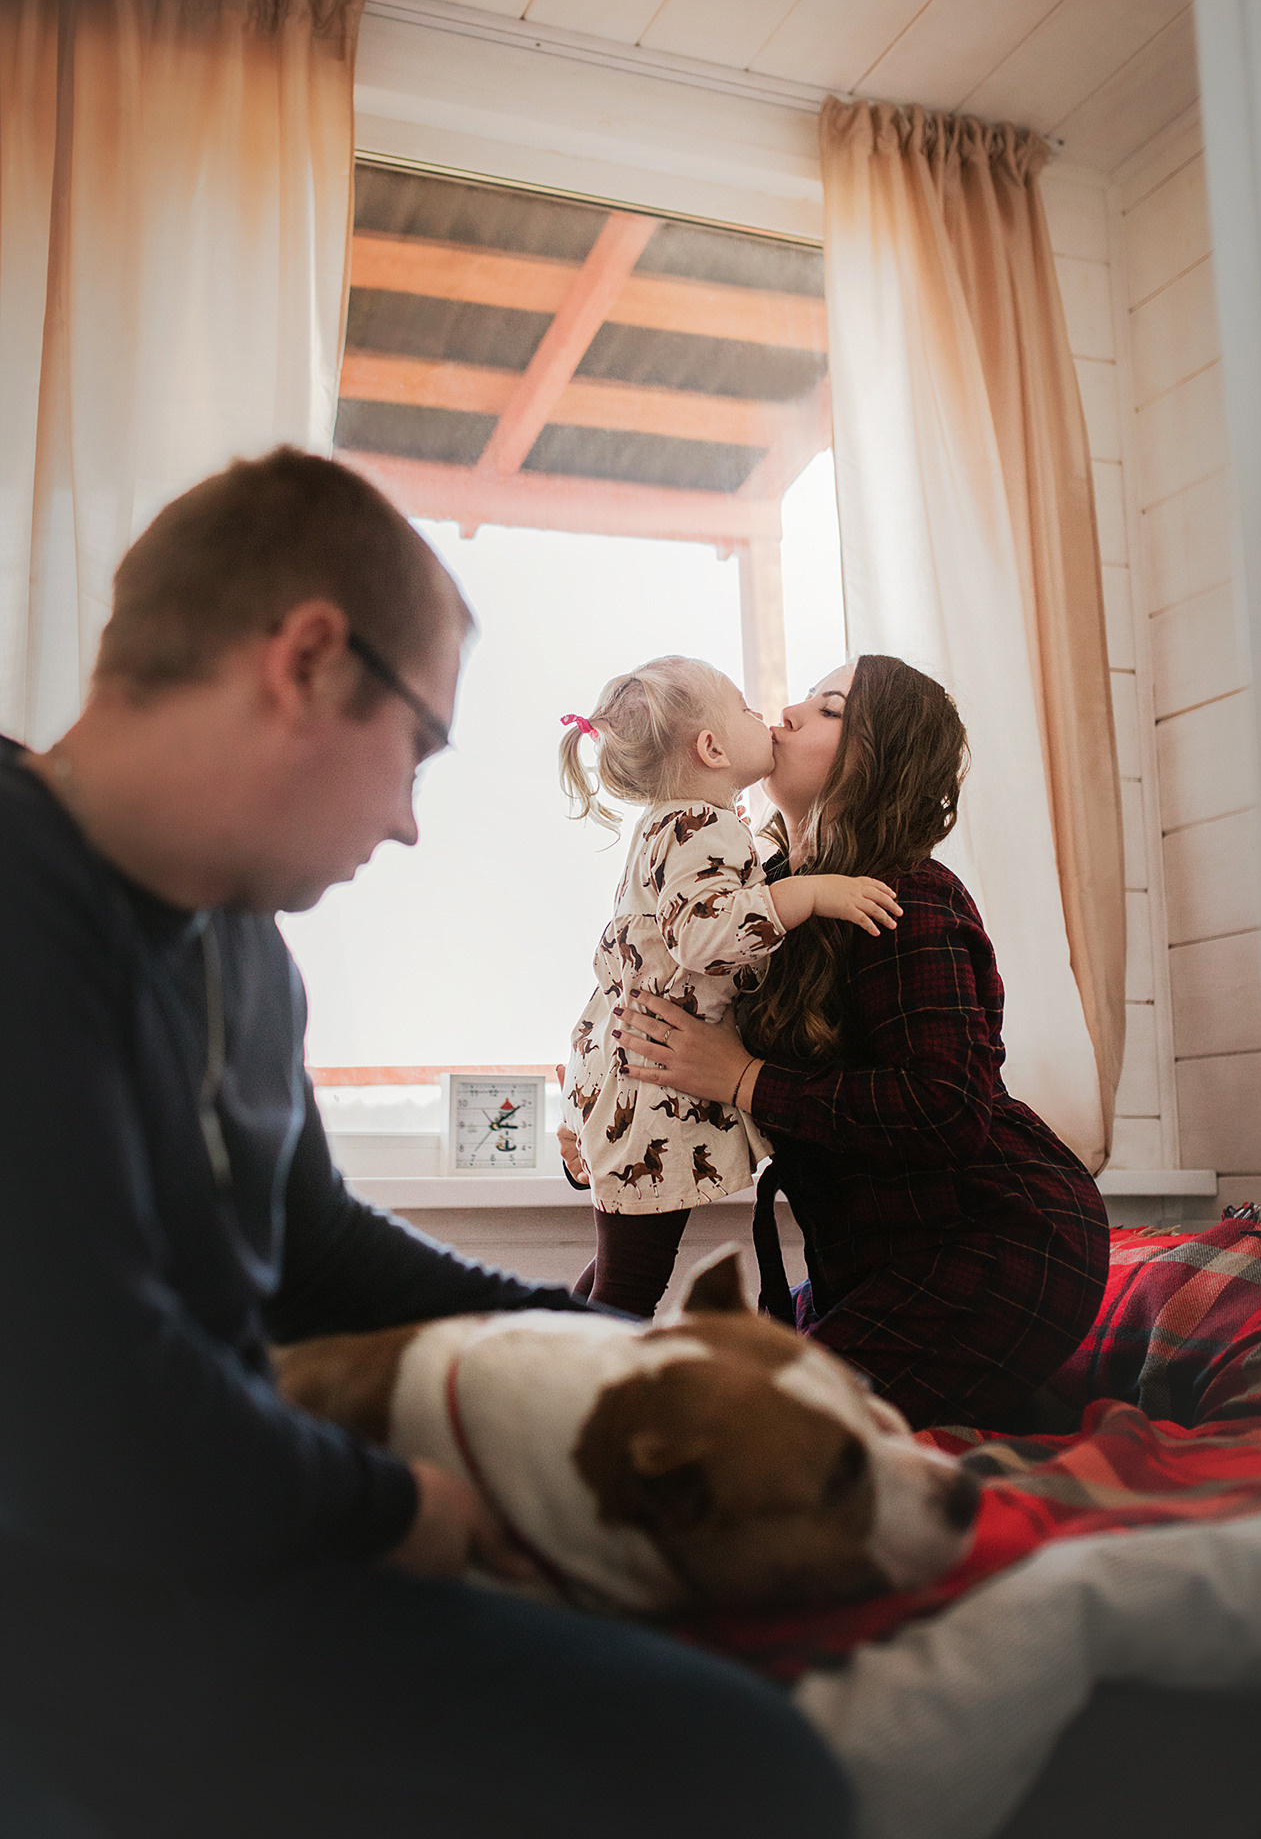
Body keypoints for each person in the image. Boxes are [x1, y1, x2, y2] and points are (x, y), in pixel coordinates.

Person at [0, 450, 853, 1839]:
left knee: (761, 1747)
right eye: (417, 752)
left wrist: (620, 1348)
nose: (405, 821)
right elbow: (82, 1411)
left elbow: (317, 1248)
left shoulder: (244, 951)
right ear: (309, 663)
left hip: (225, 1572)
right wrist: (404, 1507)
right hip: (56, 1622)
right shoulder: (25, 899)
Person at [613, 654, 1111, 1432]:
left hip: (1000, 1243)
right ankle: (1014, 1405)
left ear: (879, 758)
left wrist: (746, 1081)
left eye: (830, 707)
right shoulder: (769, 897)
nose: (787, 714)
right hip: (871, 1257)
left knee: (749, 1432)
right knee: (701, 1385)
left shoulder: (908, 898)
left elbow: (946, 1108)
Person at [558, 656, 900, 1317]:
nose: (768, 717)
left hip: (639, 1078)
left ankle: (551, 1361)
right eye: (747, 710)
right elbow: (704, 938)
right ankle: (567, 1395)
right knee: (630, 1282)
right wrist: (810, 893)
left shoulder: (683, 824)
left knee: (618, 1270)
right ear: (712, 748)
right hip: (656, 1090)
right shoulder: (699, 827)